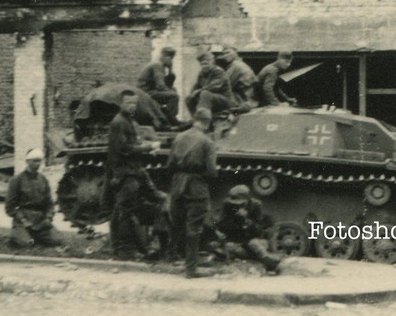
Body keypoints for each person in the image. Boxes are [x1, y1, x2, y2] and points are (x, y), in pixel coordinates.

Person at [106, 90, 161, 260]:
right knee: (126, 212)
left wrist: (144, 146)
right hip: (126, 173)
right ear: (121, 103)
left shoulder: (128, 121)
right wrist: (148, 148)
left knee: (120, 212)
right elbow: (125, 149)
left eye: (134, 104)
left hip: (131, 171)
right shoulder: (119, 122)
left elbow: (132, 144)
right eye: (129, 103)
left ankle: (119, 248)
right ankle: (127, 251)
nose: (132, 106)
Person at [167, 106, 219, 278]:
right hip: (196, 186)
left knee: (177, 222)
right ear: (208, 123)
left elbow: (170, 164)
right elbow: (212, 171)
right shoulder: (207, 141)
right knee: (194, 227)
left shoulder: (179, 137)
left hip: (178, 183)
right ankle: (191, 269)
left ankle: (172, 258)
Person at [215, 185, 281, 273]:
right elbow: (221, 224)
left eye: (240, 203)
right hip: (236, 241)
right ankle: (259, 257)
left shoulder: (255, 205)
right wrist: (236, 219)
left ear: (246, 199)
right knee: (225, 247)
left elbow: (259, 229)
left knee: (254, 244)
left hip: (252, 239)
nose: (236, 205)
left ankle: (267, 259)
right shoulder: (227, 205)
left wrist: (247, 221)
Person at [5, 148, 58, 247]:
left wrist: (48, 218)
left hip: (41, 220)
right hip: (23, 220)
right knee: (26, 243)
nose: (37, 164)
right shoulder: (17, 180)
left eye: (39, 161)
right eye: (34, 161)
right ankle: (20, 235)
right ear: (27, 161)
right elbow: (10, 207)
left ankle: (37, 236)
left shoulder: (43, 180)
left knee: (57, 240)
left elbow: (50, 203)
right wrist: (23, 220)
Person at [137, 46, 180, 125]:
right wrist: (171, 91)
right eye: (169, 58)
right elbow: (160, 86)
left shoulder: (159, 65)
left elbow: (168, 85)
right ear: (164, 56)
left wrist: (170, 70)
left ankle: (167, 116)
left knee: (173, 91)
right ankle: (170, 119)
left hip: (148, 91)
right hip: (145, 93)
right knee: (174, 96)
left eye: (171, 58)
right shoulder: (157, 65)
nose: (170, 60)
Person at [186, 49, 234, 116]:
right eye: (202, 64)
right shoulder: (201, 74)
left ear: (212, 61)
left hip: (225, 101)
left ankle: (203, 120)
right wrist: (191, 94)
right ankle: (195, 118)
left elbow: (213, 87)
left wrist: (197, 92)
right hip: (210, 100)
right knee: (189, 98)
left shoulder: (219, 72)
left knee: (205, 93)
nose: (204, 66)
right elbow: (196, 86)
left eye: (206, 63)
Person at [218, 45, 257, 112]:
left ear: (235, 53)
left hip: (244, 100)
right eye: (223, 54)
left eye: (228, 52)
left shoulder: (236, 65)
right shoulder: (237, 64)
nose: (225, 55)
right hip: (247, 98)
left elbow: (223, 85)